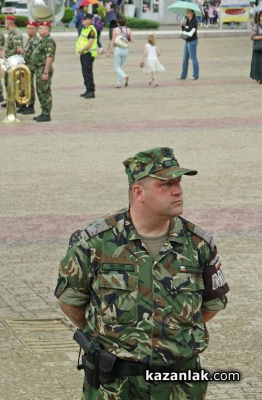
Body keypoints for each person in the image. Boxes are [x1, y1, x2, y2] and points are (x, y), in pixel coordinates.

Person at [56, 147, 229, 400]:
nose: (177, 190)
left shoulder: (198, 243)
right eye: (166, 184)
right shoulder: (95, 242)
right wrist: (111, 338)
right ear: (139, 192)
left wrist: (172, 336)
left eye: (178, 182)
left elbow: (211, 305)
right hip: (115, 384)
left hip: (179, 385)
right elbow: (71, 303)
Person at [32, 21, 55, 122]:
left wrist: (45, 72)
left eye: (41, 28)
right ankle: (43, 112)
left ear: (47, 29)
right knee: (40, 91)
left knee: (45, 91)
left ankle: (47, 114)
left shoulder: (49, 41)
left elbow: (49, 57)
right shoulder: (43, 40)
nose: (39, 30)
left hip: (43, 69)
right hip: (39, 69)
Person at [106, 15, 133, 88]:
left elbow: (112, 41)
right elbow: (132, 40)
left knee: (117, 67)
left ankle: (125, 76)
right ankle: (118, 83)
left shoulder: (115, 30)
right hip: (126, 49)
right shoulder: (128, 30)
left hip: (118, 49)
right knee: (120, 67)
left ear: (118, 23)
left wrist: (109, 51)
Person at [19, 20, 40, 115]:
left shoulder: (35, 41)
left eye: (29, 28)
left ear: (34, 30)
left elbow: (34, 56)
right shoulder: (30, 40)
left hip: (30, 67)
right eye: (27, 28)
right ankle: (23, 104)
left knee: (29, 87)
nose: (27, 30)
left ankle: (30, 106)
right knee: (23, 86)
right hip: (25, 67)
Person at [76, 13, 98, 99]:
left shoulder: (91, 30)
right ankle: (87, 89)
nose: (83, 21)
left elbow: (90, 43)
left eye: (84, 19)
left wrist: (82, 50)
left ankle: (91, 91)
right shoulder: (85, 29)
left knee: (88, 73)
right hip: (84, 54)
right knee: (85, 73)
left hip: (88, 54)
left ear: (89, 20)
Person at [179, 9, 199, 80]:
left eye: (188, 12)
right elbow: (185, 31)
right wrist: (182, 26)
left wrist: (185, 26)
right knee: (185, 59)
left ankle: (195, 75)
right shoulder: (188, 20)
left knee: (193, 58)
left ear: (192, 13)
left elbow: (190, 32)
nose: (186, 13)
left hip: (192, 41)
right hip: (187, 41)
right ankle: (183, 75)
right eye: (186, 12)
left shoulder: (194, 22)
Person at [250, 12, 262, 84]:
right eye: (261, 16)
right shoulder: (256, 26)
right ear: (259, 17)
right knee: (258, 63)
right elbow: (252, 37)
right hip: (259, 47)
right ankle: (259, 77)